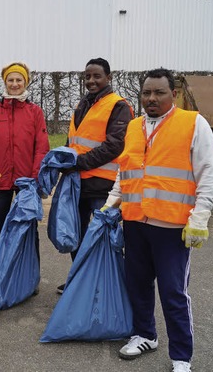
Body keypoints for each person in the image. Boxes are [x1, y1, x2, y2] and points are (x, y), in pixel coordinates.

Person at [104, 68, 213, 372]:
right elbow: (124, 171)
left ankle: (181, 356)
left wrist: (200, 217)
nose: (151, 98)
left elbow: (209, 173)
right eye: (146, 93)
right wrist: (110, 204)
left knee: (173, 292)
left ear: (173, 94)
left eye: (159, 92)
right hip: (135, 223)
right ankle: (144, 335)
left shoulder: (193, 123)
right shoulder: (133, 127)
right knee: (138, 285)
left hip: (172, 227)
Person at [58, 57, 133, 294]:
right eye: (88, 76)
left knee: (105, 238)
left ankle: (109, 286)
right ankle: (81, 282)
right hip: (78, 184)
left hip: (105, 186)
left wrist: (77, 163)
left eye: (96, 76)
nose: (91, 80)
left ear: (108, 78)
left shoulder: (119, 106)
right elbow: (73, 140)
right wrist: (62, 157)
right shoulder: (83, 104)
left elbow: (114, 146)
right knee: (75, 235)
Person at [0, 61, 49, 260]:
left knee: (28, 230)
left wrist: (34, 180)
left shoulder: (35, 112)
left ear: (25, 83)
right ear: (5, 82)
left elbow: (41, 148)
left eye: (19, 80)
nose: (15, 84)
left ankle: (28, 277)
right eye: (11, 80)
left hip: (26, 182)